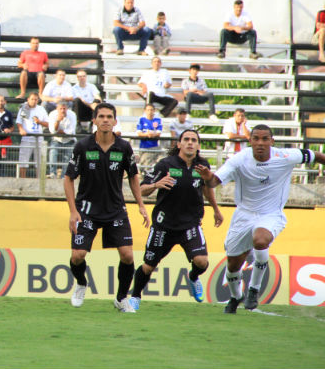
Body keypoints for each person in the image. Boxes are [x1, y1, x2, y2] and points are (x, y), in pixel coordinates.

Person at [195, 125, 325, 313]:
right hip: (244, 215)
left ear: (272, 141)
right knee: (233, 265)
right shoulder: (239, 160)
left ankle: (253, 290)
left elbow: (317, 156)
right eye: (256, 138)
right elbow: (215, 181)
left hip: (271, 214)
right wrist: (208, 177)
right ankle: (236, 296)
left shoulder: (285, 156)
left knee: (261, 240)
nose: (260, 143)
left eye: (265, 139)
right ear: (250, 141)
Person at [64, 103, 149, 312]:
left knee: (128, 256)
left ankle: (121, 298)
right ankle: (82, 284)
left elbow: (133, 176)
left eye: (109, 116)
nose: (105, 120)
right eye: (101, 116)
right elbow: (68, 179)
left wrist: (141, 205)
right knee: (77, 256)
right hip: (87, 211)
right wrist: (73, 211)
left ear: (115, 120)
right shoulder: (82, 147)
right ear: (94, 120)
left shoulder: (123, 147)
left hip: (115, 210)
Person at [128, 129, 224, 310]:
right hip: (164, 226)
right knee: (148, 267)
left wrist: (216, 209)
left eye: (193, 140)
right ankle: (135, 296)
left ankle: (193, 277)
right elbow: (140, 189)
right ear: (178, 144)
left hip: (190, 224)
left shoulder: (202, 166)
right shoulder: (165, 164)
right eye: (186, 139)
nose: (190, 143)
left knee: (201, 261)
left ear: (198, 145)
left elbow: (206, 188)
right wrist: (156, 184)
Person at [16, 92, 49, 179]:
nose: (34, 101)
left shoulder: (41, 109)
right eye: (32, 99)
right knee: (23, 160)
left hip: (39, 139)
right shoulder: (25, 108)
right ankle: (23, 180)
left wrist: (39, 122)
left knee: (39, 161)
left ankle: (39, 180)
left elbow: (48, 123)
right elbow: (19, 121)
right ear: (28, 99)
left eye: (36, 99)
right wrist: (21, 129)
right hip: (27, 138)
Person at [47, 101, 77, 178]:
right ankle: (53, 173)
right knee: (53, 153)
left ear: (67, 108)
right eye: (61, 108)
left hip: (69, 140)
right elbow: (52, 131)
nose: (62, 110)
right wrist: (58, 121)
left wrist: (61, 132)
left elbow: (71, 131)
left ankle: (64, 176)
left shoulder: (72, 115)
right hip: (56, 139)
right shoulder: (52, 114)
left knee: (68, 159)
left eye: (64, 108)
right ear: (57, 109)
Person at [136, 104, 163, 168]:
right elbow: (139, 133)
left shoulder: (158, 120)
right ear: (145, 111)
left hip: (154, 147)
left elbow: (159, 133)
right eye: (148, 110)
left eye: (151, 110)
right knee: (144, 165)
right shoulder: (141, 119)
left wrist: (153, 134)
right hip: (143, 147)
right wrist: (147, 134)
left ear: (154, 111)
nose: (150, 112)